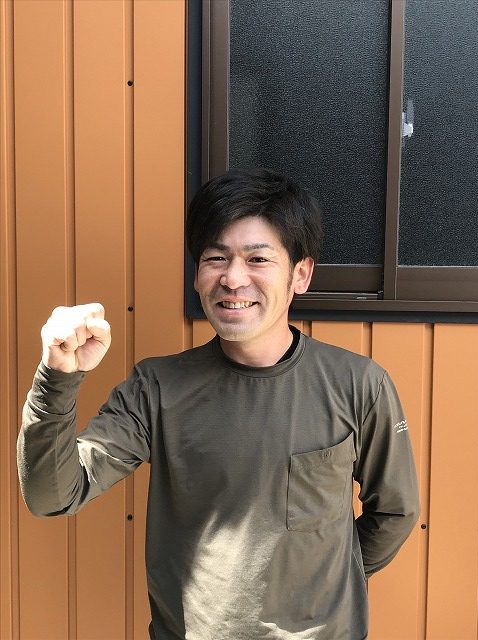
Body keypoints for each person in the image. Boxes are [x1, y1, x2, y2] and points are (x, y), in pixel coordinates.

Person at [18, 168, 419, 640]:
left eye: (257, 259)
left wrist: (331, 581)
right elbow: (53, 495)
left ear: (300, 274)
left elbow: (395, 512)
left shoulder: (359, 384)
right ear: (197, 274)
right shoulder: (158, 387)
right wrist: (57, 378)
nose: (232, 278)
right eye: (216, 258)